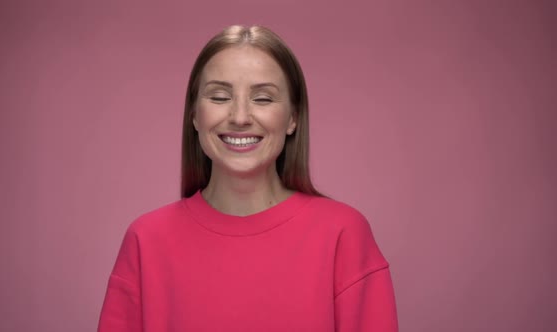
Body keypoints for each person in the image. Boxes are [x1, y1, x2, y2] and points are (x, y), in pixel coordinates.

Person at [98, 25, 398, 332]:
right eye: (219, 96)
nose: (240, 117)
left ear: (293, 118)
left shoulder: (344, 236)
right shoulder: (145, 241)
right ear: (194, 115)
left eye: (263, 99)